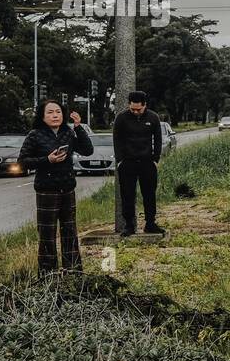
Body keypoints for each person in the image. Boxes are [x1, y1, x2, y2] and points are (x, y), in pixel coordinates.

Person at [18, 100, 95, 274]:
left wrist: (78, 127)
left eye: (58, 112)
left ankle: (74, 271)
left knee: (70, 232)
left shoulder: (68, 133)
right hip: (46, 191)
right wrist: (47, 160)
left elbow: (88, 150)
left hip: (67, 189)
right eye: (50, 112)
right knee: (47, 235)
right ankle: (47, 274)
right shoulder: (35, 135)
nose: (55, 115)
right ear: (42, 116)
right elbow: (22, 163)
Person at [113, 90, 164, 236]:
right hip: (127, 162)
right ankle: (129, 225)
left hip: (147, 162)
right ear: (129, 105)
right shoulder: (121, 118)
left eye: (138, 109)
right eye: (132, 109)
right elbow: (117, 139)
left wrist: (155, 159)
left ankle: (150, 223)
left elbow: (158, 139)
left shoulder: (153, 117)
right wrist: (120, 160)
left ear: (145, 105)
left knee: (149, 194)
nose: (135, 112)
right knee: (127, 194)